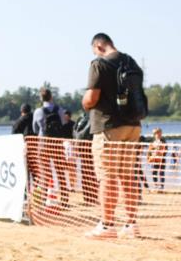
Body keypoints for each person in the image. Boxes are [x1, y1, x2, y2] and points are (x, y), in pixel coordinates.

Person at [81, 32, 145, 239]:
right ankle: (131, 224)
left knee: (107, 176)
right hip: (133, 124)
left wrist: (84, 103)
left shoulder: (99, 64)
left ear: (99, 46)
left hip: (109, 126)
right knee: (128, 175)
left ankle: (107, 225)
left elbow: (91, 98)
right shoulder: (131, 62)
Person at [32, 88, 69, 208]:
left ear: (40, 98)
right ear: (51, 97)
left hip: (43, 144)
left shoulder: (38, 111)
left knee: (44, 173)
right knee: (61, 172)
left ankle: (43, 199)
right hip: (57, 143)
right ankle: (64, 200)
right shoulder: (60, 110)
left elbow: (35, 129)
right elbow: (64, 123)